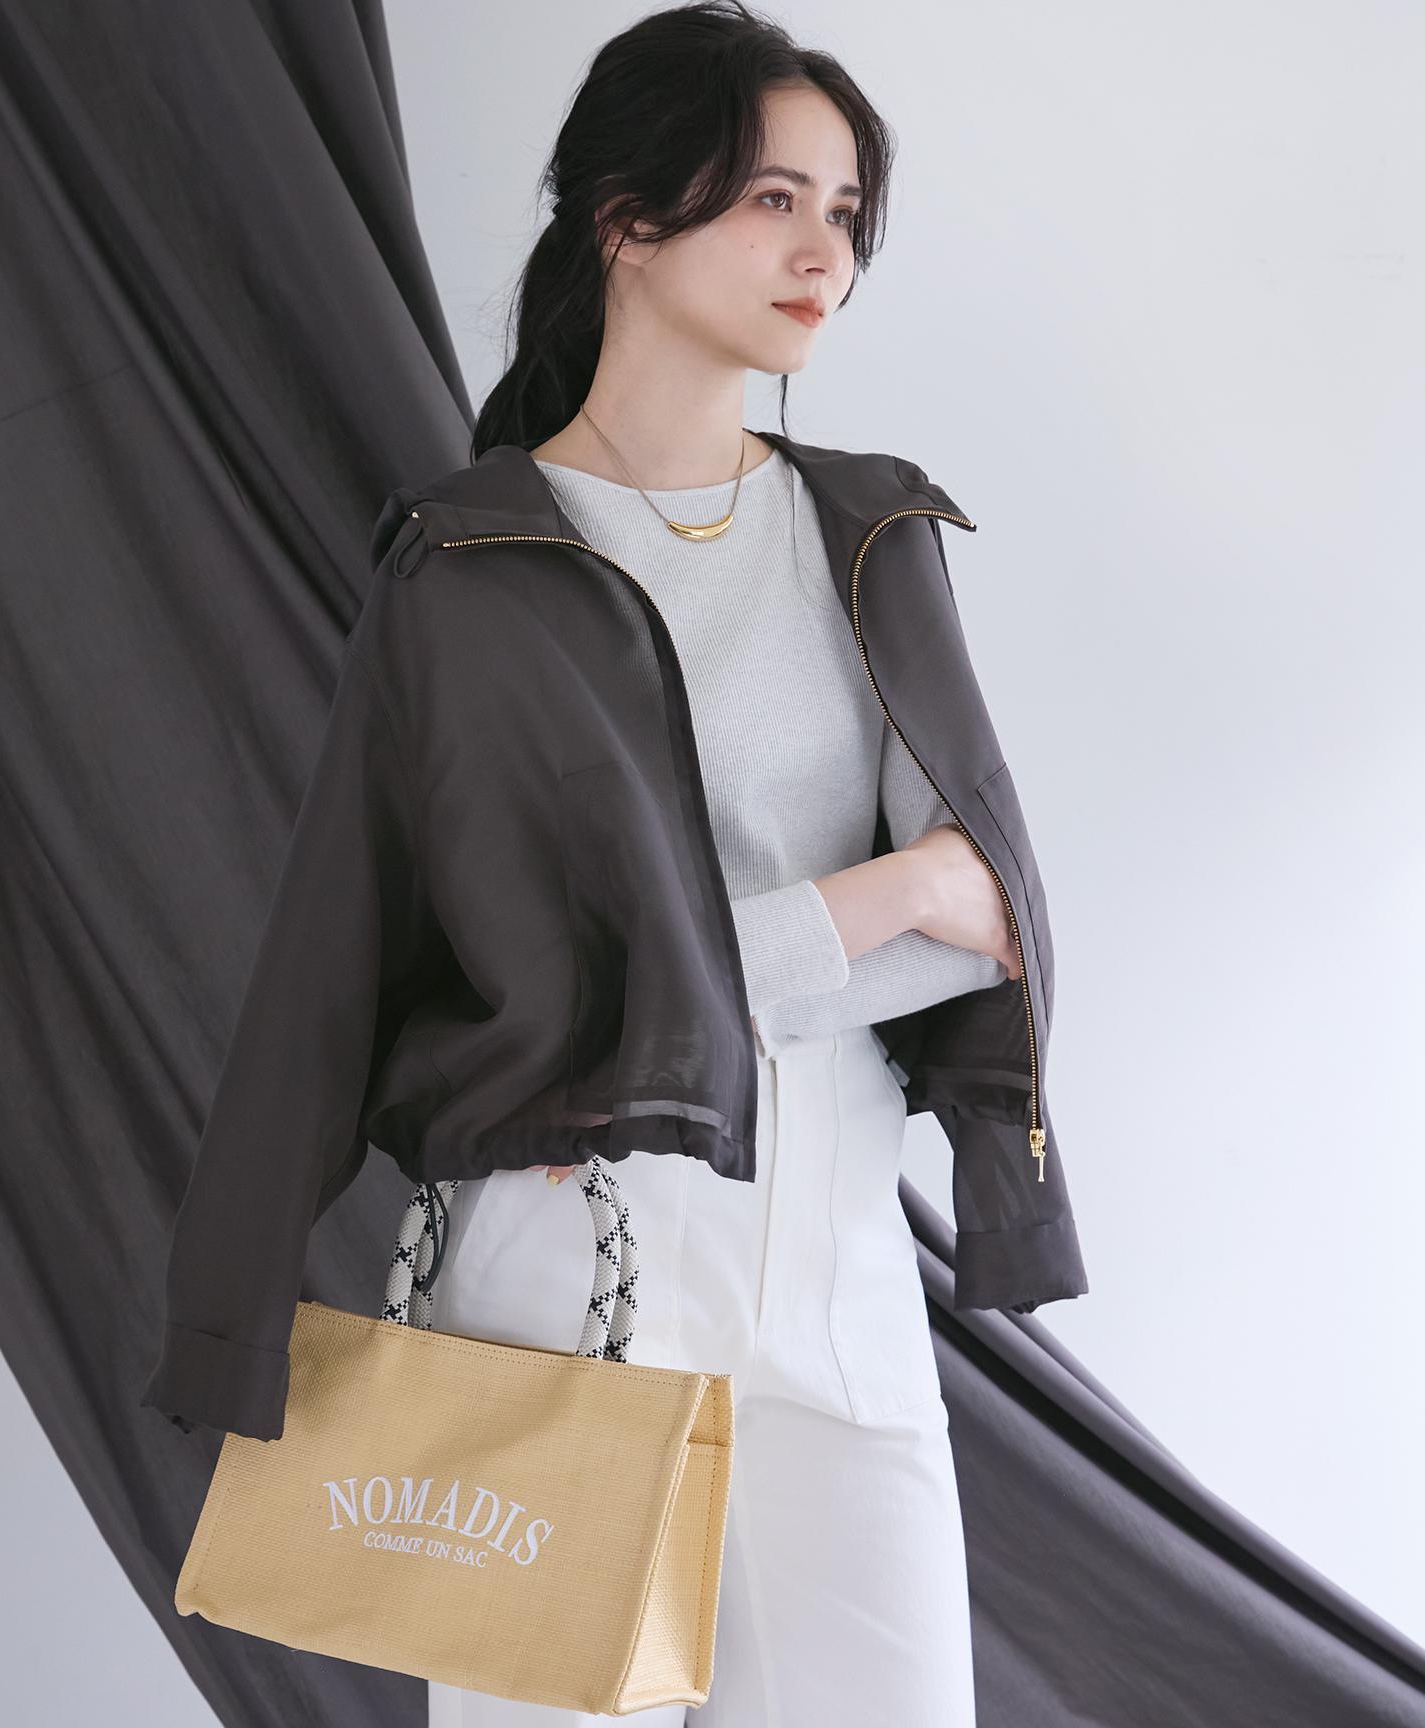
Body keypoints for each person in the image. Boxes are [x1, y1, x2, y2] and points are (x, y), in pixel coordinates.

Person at [426, 4, 1012, 1722]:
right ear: (627, 215)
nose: (825, 253)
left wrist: (672, 991)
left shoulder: (870, 531)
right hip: (561, 1280)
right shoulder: (474, 565)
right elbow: (521, 996)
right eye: (774, 200)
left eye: (846, 213)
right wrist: (874, 898)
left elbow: (985, 921)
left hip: (832, 1273)